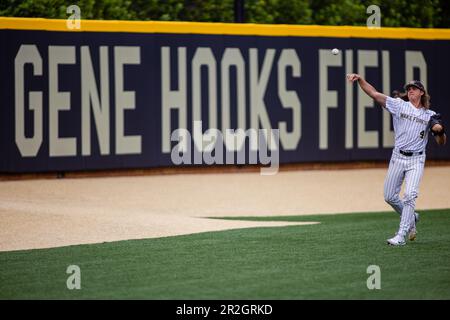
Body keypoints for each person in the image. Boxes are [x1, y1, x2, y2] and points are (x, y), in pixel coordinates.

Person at [346, 74, 447, 246]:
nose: (410, 91)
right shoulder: (399, 105)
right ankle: (412, 217)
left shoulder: (429, 115)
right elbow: (374, 94)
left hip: (416, 160)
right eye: (408, 89)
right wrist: (361, 79)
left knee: (409, 195)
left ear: (421, 92)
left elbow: (441, 142)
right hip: (398, 157)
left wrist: (439, 131)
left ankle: (401, 235)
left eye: (413, 89)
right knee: (389, 196)